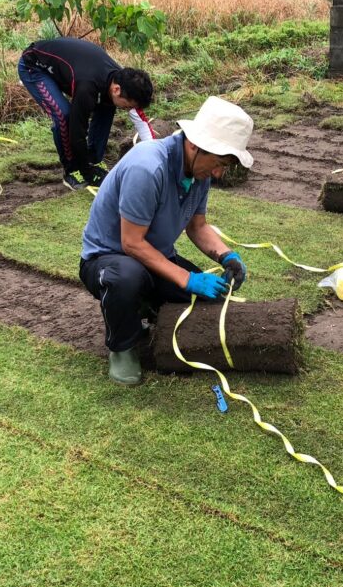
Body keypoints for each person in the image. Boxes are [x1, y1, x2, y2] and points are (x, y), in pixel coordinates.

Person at [79, 96, 254, 385]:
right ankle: (122, 346)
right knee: (127, 278)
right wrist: (187, 278)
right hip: (108, 261)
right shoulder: (148, 168)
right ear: (196, 143)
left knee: (208, 299)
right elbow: (131, 244)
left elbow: (197, 226)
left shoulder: (199, 173)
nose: (218, 173)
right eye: (219, 163)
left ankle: (147, 304)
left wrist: (227, 256)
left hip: (154, 256)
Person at [18, 36, 156, 191]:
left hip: (72, 68)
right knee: (64, 116)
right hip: (34, 66)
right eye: (127, 106)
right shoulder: (88, 87)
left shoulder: (120, 80)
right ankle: (72, 170)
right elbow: (77, 132)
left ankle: (94, 159)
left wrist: (154, 156)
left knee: (108, 105)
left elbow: (140, 119)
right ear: (117, 89)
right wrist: (87, 173)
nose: (127, 109)